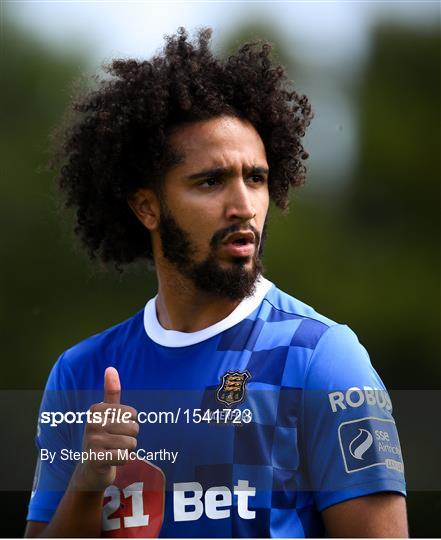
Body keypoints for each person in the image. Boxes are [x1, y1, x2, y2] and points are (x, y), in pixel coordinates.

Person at [25, 28, 407, 538]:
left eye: (256, 178)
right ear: (147, 206)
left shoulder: (322, 358)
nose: (244, 206)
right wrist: (89, 482)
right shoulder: (82, 375)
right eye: (210, 181)